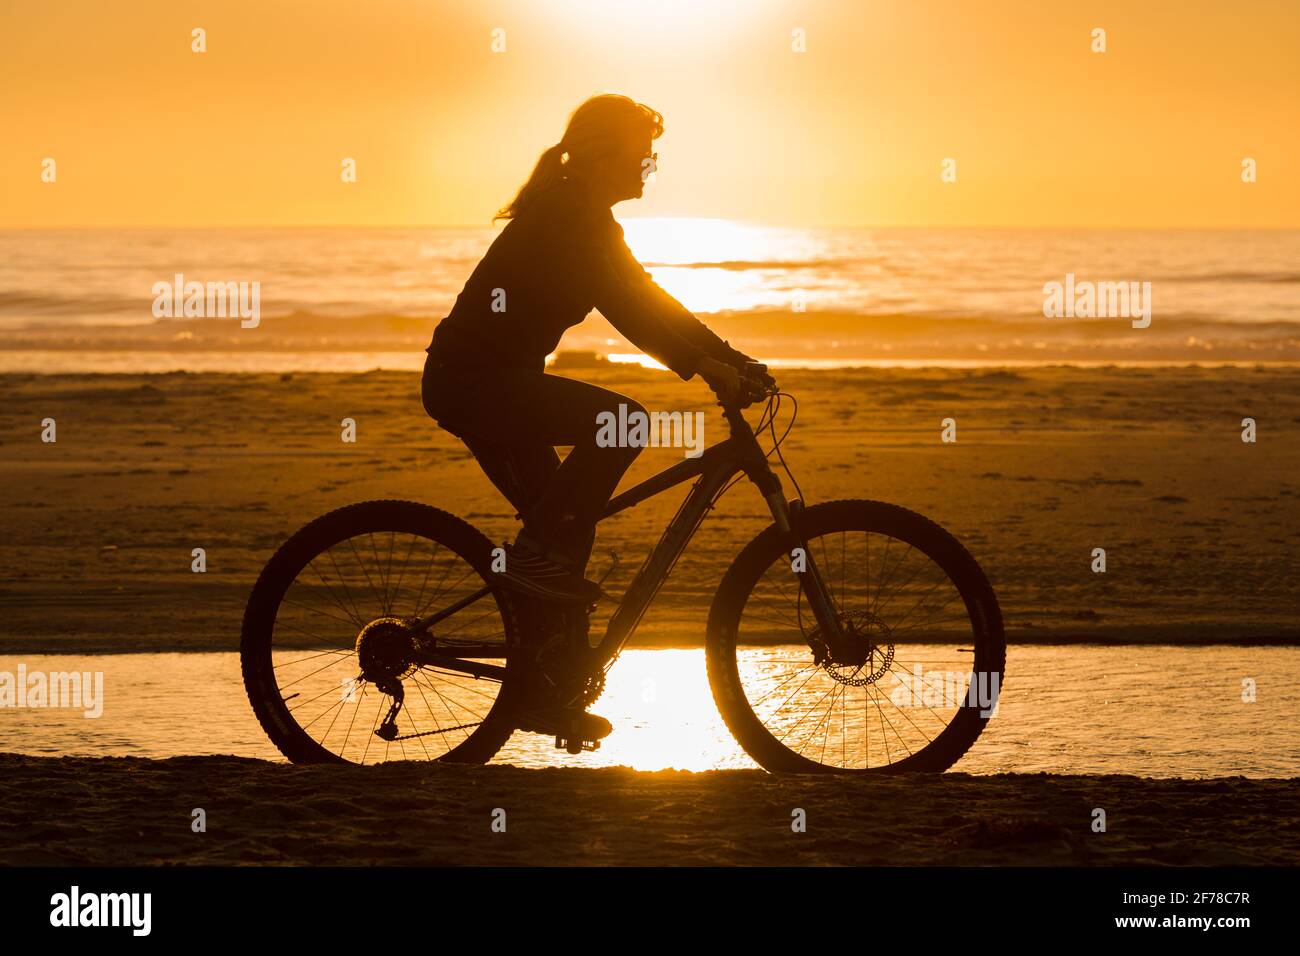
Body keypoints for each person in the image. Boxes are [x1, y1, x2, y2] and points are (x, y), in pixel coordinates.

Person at [421, 93, 757, 741]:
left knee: (565, 531)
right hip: (475, 385)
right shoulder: (569, 214)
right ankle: (533, 589)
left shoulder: (590, 218)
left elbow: (648, 299)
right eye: (641, 156)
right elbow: (626, 310)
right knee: (622, 426)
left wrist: (730, 358)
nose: (647, 168)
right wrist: (705, 367)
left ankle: (546, 685)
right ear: (603, 153)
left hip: (496, 385)